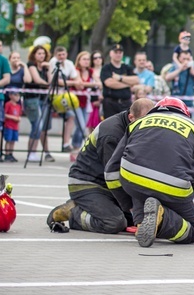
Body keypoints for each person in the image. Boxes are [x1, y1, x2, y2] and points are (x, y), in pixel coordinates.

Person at [105, 97, 194, 247]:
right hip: (174, 185)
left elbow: (111, 171)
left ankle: (142, 221)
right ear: (185, 114)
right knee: (192, 231)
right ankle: (163, 217)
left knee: (140, 187)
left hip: (134, 179)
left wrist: (128, 205)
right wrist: (185, 201)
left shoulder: (138, 123)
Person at [46, 98, 156, 234]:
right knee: (114, 223)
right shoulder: (111, 134)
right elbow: (114, 175)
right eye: (143, 123)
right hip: (87, 183)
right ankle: (73, 213)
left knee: (136, 219)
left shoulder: (133, 126)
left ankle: (95, 208)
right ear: (131, 117)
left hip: (106, 184)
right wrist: (132, 207)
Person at [49, 46, 83, 152]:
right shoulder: (53, 62)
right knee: (45, 124)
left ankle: (66, 142)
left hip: (64, 94)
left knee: (71, 116)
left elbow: (76, 77)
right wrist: (73, 82)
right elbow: (56, 81)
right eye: (59, 55)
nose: (61, 57)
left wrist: (77, 81)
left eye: (63, 54)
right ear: (55, 55)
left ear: (66, 54)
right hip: (54, 94)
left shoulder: (69, 63)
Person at [24, 45, 53, 162]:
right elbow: (37, 80)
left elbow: (51, 81)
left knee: (41, 126)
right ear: (34, 55)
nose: (42, 56)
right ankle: (31, 152)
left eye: (43, 54)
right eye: (39, 53)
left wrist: (49, 68)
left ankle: (35, 152)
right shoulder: (31, 65)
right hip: (32, 99)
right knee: (37, 125)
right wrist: (47, 84)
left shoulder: (46, 67)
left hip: (44, 99)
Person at [100, 43, 138, 118]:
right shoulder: (106, 68)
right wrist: (128, 83)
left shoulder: (127, 67)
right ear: (111, 53)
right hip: (111, 103)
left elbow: (136, 80)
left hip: (125, 103)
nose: (118, 54)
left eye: (120, 52)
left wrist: (120, 78)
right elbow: (110, 83)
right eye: (116, 52)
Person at [73, 51, 97, 149]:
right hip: (76, 101)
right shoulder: (76, 70)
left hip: (86, 102)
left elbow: (98, 83)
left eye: (88, 59)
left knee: (83, 126)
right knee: (81, 125)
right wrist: (92, 84)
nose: (86, 61)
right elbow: (79, 85)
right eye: (84, 59)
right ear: (79, 60)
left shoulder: (91, 71)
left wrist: (89, 84)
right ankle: (76, 145)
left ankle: (76, 145)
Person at [2, 91, 22, 162]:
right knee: (8, 140)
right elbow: (4, 114)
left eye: (18, 95)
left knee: (13, 141)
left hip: (15, 126)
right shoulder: (8, 104)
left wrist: (18, 118)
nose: (17, 97)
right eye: (15, 95)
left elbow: (19, 115)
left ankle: (11, 153)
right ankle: (7, 154)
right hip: (9, 125)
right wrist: (13, 117)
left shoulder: (18, 106)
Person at [88, 50, 104, 130]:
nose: (98, 59)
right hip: (91, 100)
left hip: (103, 100)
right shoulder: (89, 71)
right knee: (90, 124)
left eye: (99, 57)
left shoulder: (106, 70)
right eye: (95, 58)